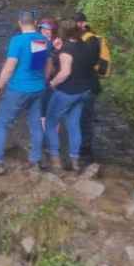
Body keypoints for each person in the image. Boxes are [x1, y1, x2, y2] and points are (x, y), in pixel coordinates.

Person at [0, 9, 53, 175]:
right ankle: (35, 161)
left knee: (1, 122)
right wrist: (43, 81)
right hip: (39, 89)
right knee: (35, 124)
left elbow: (9, 67)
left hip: (19, 89)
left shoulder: (17, 41)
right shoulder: (43, 40)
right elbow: (48, 66)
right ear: (34, 23)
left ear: (20, 23)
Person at [44, 20, 95, 171]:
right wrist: (59, 50)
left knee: (51, 123)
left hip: (67, 92)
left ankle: (55, 159)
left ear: (63, 33)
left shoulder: (67, 50)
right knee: (74, 126)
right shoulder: (86, 46)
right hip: (83, 92)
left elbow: (65, 72)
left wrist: (52, 83)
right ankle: (75, 161)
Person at [75, 10, 110, 161]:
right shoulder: (96, 40)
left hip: (83, 84)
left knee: (82, 118)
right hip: (87, 84)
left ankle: (82, 149)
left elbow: (104, 68)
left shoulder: (94, 40)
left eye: (76, 22)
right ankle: (82, 149)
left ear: (83, 24)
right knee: (83, 118)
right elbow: (104, 69)